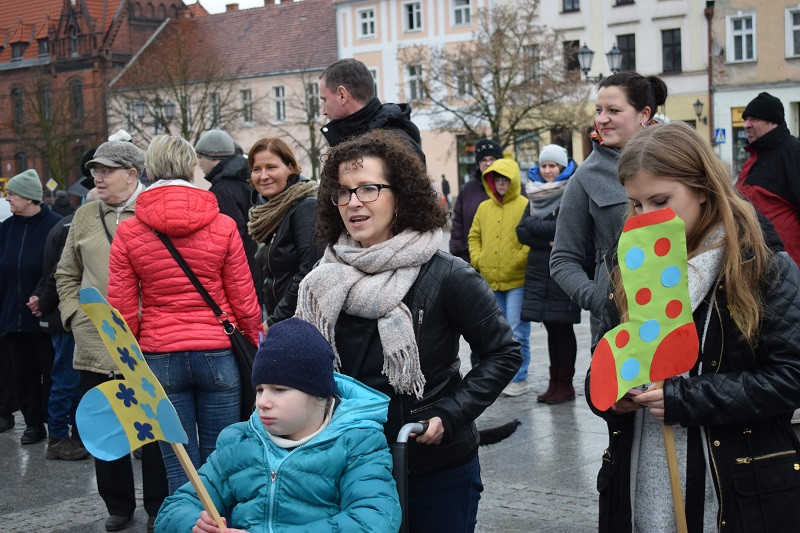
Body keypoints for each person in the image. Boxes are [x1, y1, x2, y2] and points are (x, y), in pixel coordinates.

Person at [295, 130, 521, 533]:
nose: (354, 202)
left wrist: (451, 413)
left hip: (432, 468)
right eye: (343, 192)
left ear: (401, 194)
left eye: (369, 188)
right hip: (349, 468)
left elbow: (503, 353)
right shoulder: (321, 280)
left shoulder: (448, 274)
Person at [588, 121, 800, 531]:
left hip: (736, 488)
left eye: (660, 200)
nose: (647, 216)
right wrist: (611, 395)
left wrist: (689, 398)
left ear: (702, 188)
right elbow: (604, 356)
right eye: (636, 204)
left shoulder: (761, 266)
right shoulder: (628, 264)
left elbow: (791, 375)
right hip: (641, 483)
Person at [107, 135, 261, 496]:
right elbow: (244, 298)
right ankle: (219, 520)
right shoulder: (222, 225)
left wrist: (130, 359)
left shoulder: (129, 230)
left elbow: (121, 310)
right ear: (192, 168)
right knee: (220, 459)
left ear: (149, 170)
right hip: (217, 352)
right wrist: (254, 340)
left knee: (178, 466)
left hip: (159, 356)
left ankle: (185, 518)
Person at [154, 317, 401, 533]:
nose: (263, 402)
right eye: (260, 389)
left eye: (279, 389)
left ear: (319, 394)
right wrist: (194, 524)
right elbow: (173, 509)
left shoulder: (357, 443)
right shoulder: (238, 441)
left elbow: (376, 520)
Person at [56, 140, 167, 532]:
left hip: (146, 340)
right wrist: (74, 316)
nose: (98, 178)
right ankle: (118, 505)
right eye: (95, 171)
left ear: (132, 174)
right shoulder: (86, 215)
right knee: (104, 426)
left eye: (106, 171)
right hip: (95, 343)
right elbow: (67, 273)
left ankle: (158, 505)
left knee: (152, 428)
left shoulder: (155, 211)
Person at [550, 71, 668, 343]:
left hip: (682, 307)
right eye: (599, 110)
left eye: (613, 110)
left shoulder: (674, 161)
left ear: (643, 114)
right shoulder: (585, 177)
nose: (602, 119)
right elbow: (562, 259)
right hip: (618, 325)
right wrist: (600, 300)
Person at [0, 170, 62, 443]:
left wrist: (45, 299)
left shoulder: (55, 226)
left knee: (51, 372)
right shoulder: (6, 229)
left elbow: (61, 270)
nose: (7, 198)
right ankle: (33, 424)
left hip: (46, 316)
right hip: (13, 316)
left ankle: (56, 423)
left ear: (29, 197)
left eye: (11, 194)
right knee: (23, 374)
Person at [516, 144, 581, 404]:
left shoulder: (571, 190)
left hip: (563, 270)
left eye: (552, 166)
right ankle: (554, 384)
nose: (547, 170)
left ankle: (565, 385)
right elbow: (522, 231)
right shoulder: (535, 192)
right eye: (543, 165)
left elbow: (566, 227)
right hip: (540, 272)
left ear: (561, 167)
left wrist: (541, 229)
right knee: (552, 329)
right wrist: (549, 240)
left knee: (563, 328)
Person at [468, 157, 531, 397]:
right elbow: (474, 236)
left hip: (517, 281)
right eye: (497, 179)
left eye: (505, 179)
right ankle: (502, 378)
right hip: (490, 281)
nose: (501, 184)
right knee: (497, 334)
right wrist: (478, 259)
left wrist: (518, 260)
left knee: (518, 332)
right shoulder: (484, 208)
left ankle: (520, 378)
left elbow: (530, 238)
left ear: (513, 181)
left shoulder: (525, 205)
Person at [31, 211, 90, 460]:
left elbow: (49, 272)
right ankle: (57, 438)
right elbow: (60, 272)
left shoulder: (63, 223)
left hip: (64, 316)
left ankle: (74, 437)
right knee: (67, 380)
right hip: (68, 317)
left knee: (72, 381)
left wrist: (40, 298)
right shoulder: (72, 226)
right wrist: (43, 302)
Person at [246, 137, 321, 329]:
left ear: (290, 167)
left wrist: (276, 319)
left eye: (271, 167)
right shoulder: (269, 212)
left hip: (299, 322)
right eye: (256, 169)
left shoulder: (305, 207)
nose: (263, 176)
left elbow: (309, 271)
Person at [735, 91, 800, 265]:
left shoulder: (792, 151)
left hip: (788, 263)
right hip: (760, 259)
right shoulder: (754, 157)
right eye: (746, 119)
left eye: (753, 119)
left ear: (772, 122)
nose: (746, 125)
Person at [318, 58, 422, 154]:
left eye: (324, 100)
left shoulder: (383, 147)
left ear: (342, 95)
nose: (324, 111)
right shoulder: (383, 140)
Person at [195, 129, 258, 276]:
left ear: (213, 157)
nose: (199, 162)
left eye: (200, 156)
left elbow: (231, 238)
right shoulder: (245, 178)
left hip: (241, 271)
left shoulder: (222, 190)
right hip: (254, 265)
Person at [449, 139, 500, 263]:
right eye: (484, 160)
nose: (488, 163)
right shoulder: (467, 190)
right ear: (478, 162)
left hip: (501, 258)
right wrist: (459, 251)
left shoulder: (510, 187)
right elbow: (457, 222)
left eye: (492, 159)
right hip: (470, 258)